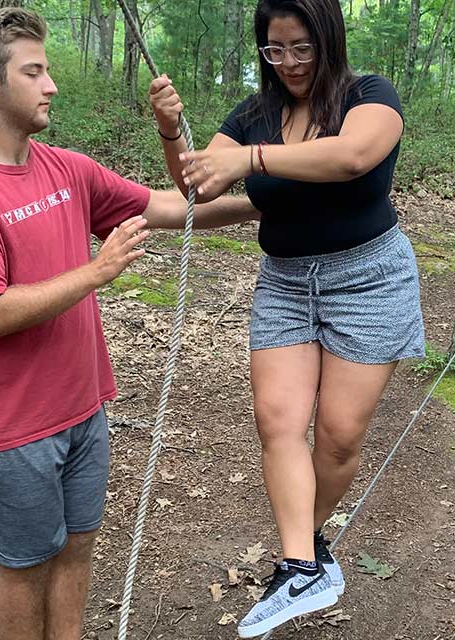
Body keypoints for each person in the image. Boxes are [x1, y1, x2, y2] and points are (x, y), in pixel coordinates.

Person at [0, 8, 257, 639]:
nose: (50, 85)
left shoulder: (66, 169)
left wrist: (275, 202)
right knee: (22, 566)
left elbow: (174, 205)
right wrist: (94, 272)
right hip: (8, 427)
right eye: (35, 71)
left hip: (82, 410)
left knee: (76, 551)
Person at [148, 0, 425, 635]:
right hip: (286, 281)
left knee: (337, 435)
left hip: (370, 277)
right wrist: (172, 131)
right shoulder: (253, 113)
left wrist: (253, 159)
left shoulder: (369, 95)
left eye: (301, 47)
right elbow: (198, 185)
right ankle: (300, 565)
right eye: (275, 50)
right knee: (278, 420)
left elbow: (352, 157)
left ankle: (310, 545)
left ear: (326, 39)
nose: (290, 63)